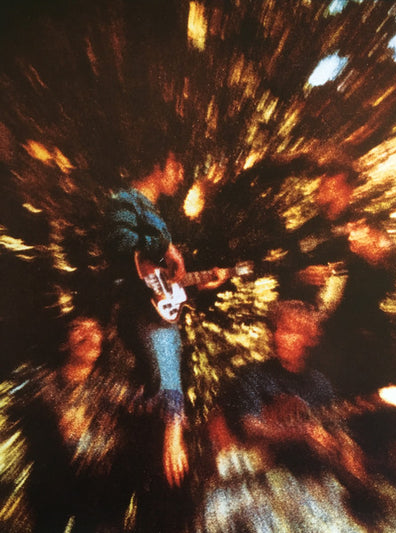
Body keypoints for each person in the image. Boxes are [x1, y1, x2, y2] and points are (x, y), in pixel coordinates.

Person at [104, 145, 228, 530]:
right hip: (140, 342)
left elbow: (164, 282)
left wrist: (199, 282)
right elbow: (123, 249)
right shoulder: (126, 201)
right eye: (179, 165)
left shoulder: (156, 213)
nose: (182, 174)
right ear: (163, 161)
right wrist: (167, 247)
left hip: (155, 348)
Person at [196, 299, 366, 532]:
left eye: (288, 331)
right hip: (253, 481)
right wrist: (300, 432)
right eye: (275, 329)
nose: (277, 337)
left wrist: (346, 450)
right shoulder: (253, 375)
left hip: (305, 482)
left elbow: (337, 432)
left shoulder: (320, 384)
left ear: (309, 338)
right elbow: (251, 427)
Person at [280, 165, 396, 399]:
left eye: (334, 187)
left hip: (362, 336)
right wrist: (301, 277)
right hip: (319, 341)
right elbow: (283, 282)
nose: (326, 193)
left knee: (362, 404)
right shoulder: (304, 233)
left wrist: (375, 257)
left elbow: (389, 280)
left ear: (349, 191)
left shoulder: (368, 227)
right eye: (323, 187)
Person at [20, 313, 132, 533]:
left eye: (95, 329)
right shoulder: (41, 385)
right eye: (78, 327)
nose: (88, 335)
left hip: (101, 498)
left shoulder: (114, 387)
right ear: (64, 342)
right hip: (52, 492)